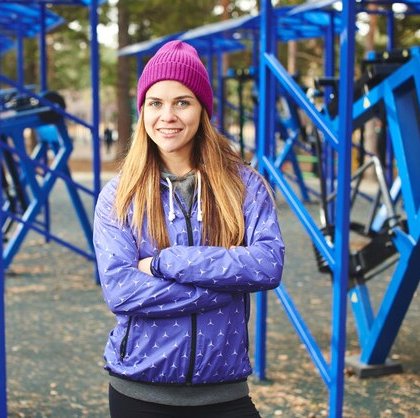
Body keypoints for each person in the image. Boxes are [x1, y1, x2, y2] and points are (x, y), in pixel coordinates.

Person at [93, 40, 284, 418]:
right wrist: (227, 286)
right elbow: (121, 291)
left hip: (224, 394)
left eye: (182, 101)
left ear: (202, 109)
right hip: (139, 393)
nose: (168, 115)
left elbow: (267, 265)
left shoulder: (244, 185)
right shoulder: (119, 196)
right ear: (143, 110)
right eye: (155, 103)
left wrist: (166, 262)